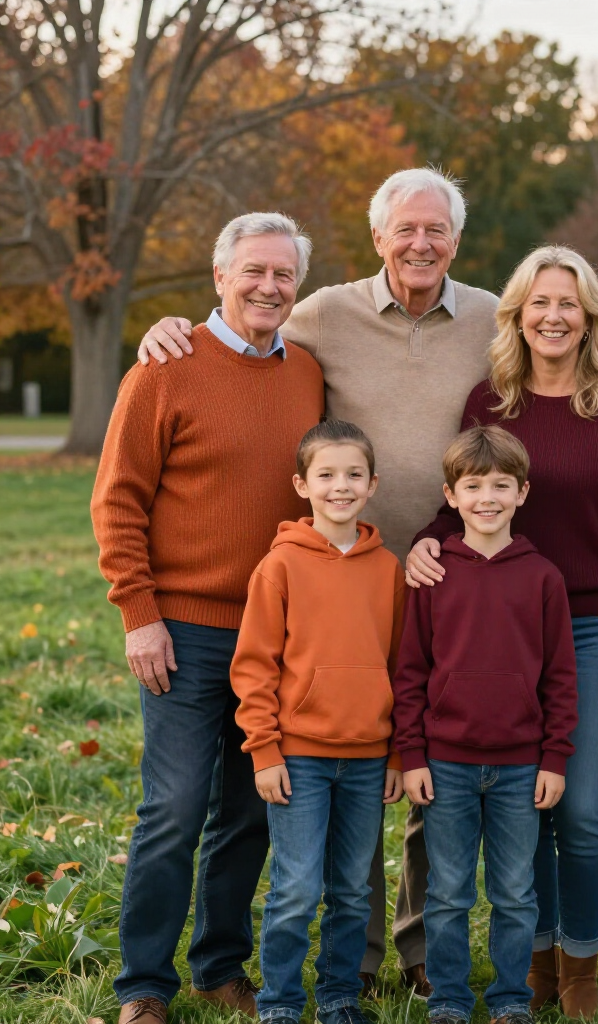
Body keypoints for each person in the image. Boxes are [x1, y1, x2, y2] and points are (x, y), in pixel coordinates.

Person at [136, 167, 500, 997]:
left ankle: (388, 956)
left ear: (456, 238)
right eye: (404, 228)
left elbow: (558, 351)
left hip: (425, 584)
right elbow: (236, 335)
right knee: (251, 788)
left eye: (435, 229)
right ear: (378, 237)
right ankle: (184, 983)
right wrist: (171, 328)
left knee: (390, 777)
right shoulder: (317, 316)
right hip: (290, 595)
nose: (419, 243)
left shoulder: (480, 317)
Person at [406, 245, 598, 1020]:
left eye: (569, 305)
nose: (554, 318)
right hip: (498, 623)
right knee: (533, 808)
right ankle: (538, 959)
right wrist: (425, 537)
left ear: (589, 318)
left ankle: (580, 965)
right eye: (538, 305)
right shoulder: (490, 401)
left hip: (588, 630)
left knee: (579, 808)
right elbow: (463, 495)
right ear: (515, 317)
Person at [91, 213, 324, 1024]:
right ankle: (143, 986)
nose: (268, 286)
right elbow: (117, 497)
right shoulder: (165, 367)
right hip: (184, 631)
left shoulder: (308, 374)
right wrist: (138, 612)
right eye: (254, 271)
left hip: (279, 636)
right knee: (176, 807)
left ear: (299, 286)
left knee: (252, 807)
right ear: (220, 276)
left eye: (284, 275)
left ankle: (219, 964)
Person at [392, 425, 579, 1024]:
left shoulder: (543, 577)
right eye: (473, 486)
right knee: (446, 891)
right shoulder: (434, 575)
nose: (487, 498)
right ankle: (448, 997)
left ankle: (508, 1000)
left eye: (501, 485)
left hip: (521, 765)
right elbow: (411, 670)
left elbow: (559, 678)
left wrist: (554, 758)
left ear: (522, 493)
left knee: (515, 893)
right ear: (451, 496)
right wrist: (413, 754)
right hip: (444, 762)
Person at [230, 420, 406, 1024]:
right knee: (296, 890)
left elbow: (400, 665)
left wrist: (398, 756)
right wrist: (265, 750)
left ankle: (337, 996)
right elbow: (253, 667)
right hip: (297, 757)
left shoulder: (389, 570)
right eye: (327, 475)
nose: (341, 486)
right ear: (302, 485)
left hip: (367, 757)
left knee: (354, 890)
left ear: (373, 484)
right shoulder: (278, 568)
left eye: (353, 474)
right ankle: (278, 1002)